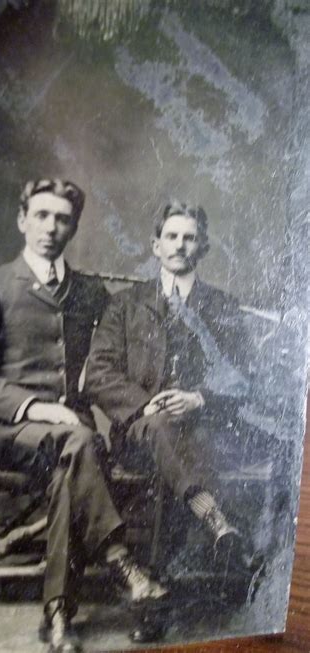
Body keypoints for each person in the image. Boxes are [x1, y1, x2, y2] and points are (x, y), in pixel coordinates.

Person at [0, 178, 167, 653]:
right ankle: (123, 564)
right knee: (80, 444)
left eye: (63, 219)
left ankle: (58, 617)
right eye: (42, 215)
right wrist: (39, 407)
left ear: (73, 228)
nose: (51, 227)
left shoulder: (87, 290)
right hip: (8, 429)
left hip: (72, 436)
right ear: (22, 220)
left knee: (70, 472)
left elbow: (128, 332)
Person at [85, 201, 255, 573]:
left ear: (203, 248)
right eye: (171, 236)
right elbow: (98, 373)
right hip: (139, 435)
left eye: (190, 238)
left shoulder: (222, 305)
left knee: (181, 453)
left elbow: (244, 376)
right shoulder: (125, 305)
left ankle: (159, 594)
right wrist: (146, 406)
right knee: (163, 429)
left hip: (202, 429)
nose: (179, 245)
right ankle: (216, 521)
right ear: (155, 245)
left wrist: (198, 399)